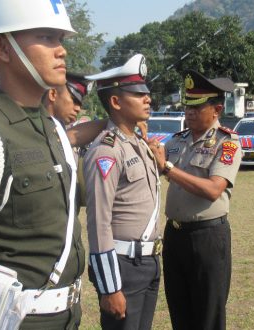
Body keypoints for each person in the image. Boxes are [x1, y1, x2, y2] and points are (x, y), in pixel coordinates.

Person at [0, 1, 105, 329]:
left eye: (61, 39)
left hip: (67, 317)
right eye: (47, 37)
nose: (61, 51)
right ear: (2, 46)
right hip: (17, 320)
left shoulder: (52, 129)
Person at [149, 70, 242, 330]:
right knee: (180, 310)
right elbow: (153, 162)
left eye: (197, 107)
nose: (189, 113)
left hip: (207, 238)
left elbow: (214, 189)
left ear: (217, 109)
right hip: (175, 236)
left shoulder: (228, 143)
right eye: (187, 107)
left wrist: (167, 168)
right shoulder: (178, 140)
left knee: (208, 315)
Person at [83, 54, 162, 330]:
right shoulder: (107, 150)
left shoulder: (137, 143)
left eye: (147, 93)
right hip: (123, 267)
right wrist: (109, 287)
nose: (147, 99)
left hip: (148, 262)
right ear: (115, 102)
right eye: (138, 94)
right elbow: (99, 222)